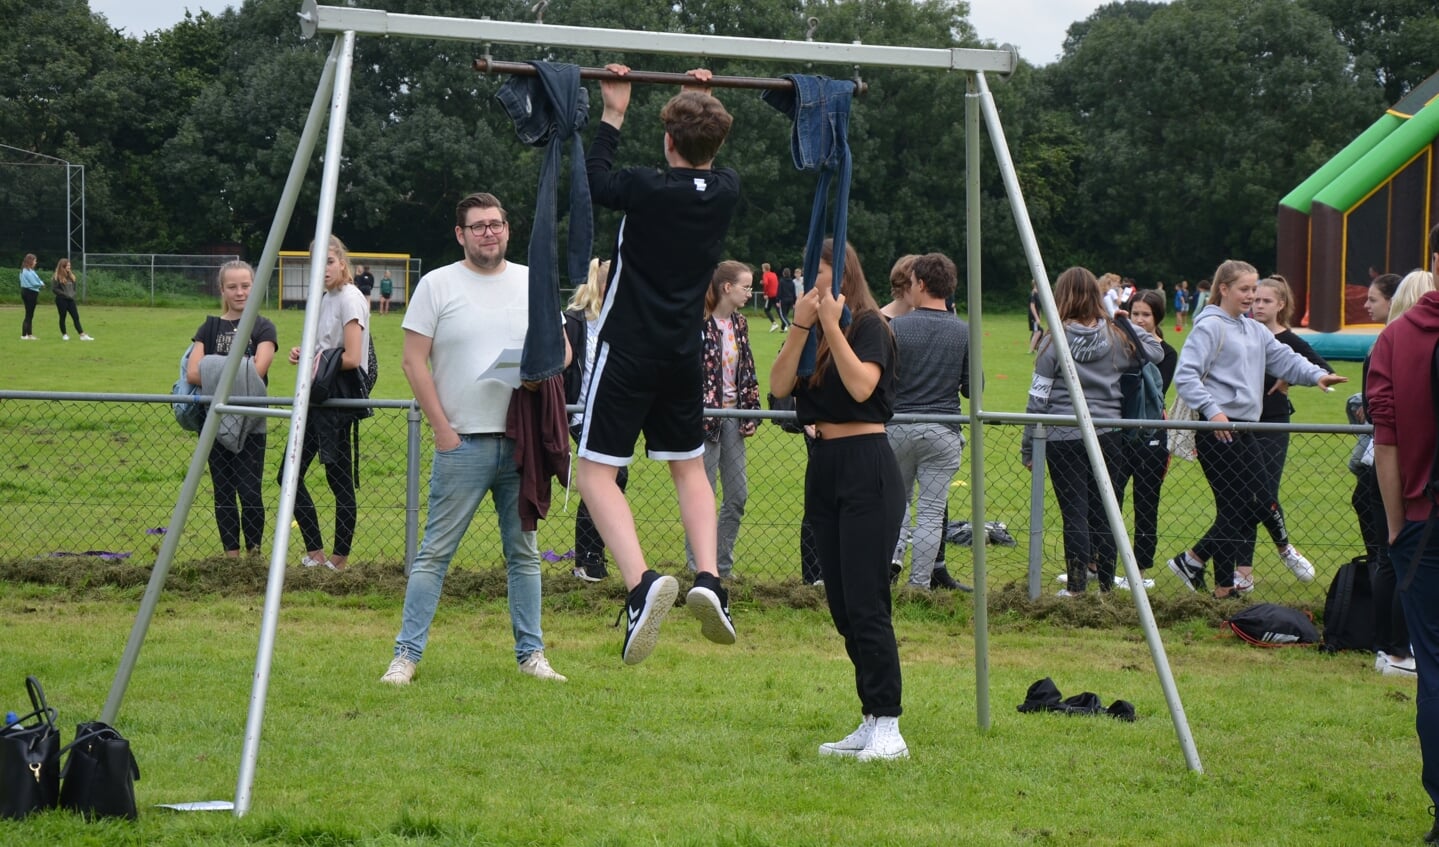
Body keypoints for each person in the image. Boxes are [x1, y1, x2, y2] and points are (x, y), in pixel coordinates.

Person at [578, 63, 740, 665]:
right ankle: (709, 578)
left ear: (667, 142)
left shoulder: (646, 188)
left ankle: (642, 585)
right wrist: (697, 98)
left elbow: (595, 180)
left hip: (627, 348)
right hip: (682, 352)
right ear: (716, 144)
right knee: (689, 468)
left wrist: (613, 111)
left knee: (596, 474)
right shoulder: (726, 189)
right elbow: (705, 146)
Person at [383, 192, 567, 686]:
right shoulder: (436, 285)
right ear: (461, 234)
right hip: (462, 443)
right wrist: (443, 432)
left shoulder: (534, 282)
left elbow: (564, 353)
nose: (489, 232)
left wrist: (537, 373)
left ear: (508, 228)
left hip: (522, 442)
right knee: (434, 555)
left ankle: (532, 655)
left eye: (497, 224)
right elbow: (411, 360)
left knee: (524, 555)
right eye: (478, 226)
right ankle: (405, 656)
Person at [770, 238, 909, 761]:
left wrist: (831, 323)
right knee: (842, 604)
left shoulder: (870, 325)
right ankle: (871, 716)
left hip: (866, 467)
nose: (810, 282)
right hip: (823, 467)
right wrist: (803, 327)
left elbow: (860, 388)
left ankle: (890, 725)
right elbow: (781, 387)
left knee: (868, 602)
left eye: (819, 272)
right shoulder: (808, 330)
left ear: (842, 274)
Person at [1167, 260, 1346, 598]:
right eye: (1245, 289)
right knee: (1249, 503)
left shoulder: (1253, 329)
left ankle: (1214, 582)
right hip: (1219, 431)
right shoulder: (1209, 327)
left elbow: (1285, 358)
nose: (1251, 296)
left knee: (1235, 507)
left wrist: (1316, 375)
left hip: (1246, 428)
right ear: (1224, 289)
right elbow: (1186, 375)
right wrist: (1213, 413)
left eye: (1254, 289)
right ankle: (1198, 567)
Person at [1021, 267, 1162, 595]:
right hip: (1108, 434)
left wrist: (1029, 447)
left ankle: (1076, 587)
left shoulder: (1051, 339)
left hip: (1061, 435)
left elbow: (1037, 398)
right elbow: (1155, 352)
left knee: (1075, 513)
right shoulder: (1116, 335)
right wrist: (1125, 323)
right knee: (1106, 512)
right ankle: (1106, 588)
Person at [1367, 222, 1439, 844]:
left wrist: (1398, 527)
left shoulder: (1395, 339)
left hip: (1423, 521)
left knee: (1435, 672)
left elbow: (1385, 443)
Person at [284, 234, 371, 572]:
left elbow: (351, 357)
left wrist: (315, 359)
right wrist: (304, 353)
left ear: (342, 261)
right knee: (288, 476)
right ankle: (317, 552)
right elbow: (325, 348)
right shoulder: (323, 298)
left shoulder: (350, 298)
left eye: (329, 261)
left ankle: (340, 559)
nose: (323, 269)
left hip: (337, 398)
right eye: (316, 262)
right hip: (318, 395)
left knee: (338, 480)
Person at [886, 252, 970, 590]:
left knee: (895, 503)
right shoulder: (962, 331)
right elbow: (971, 387)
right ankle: (919, 585)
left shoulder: (896, 327)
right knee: (932, 513)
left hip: (898, 426)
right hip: (943, 429)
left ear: (919, 284)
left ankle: (889, 564)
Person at [187, 260, 277, 556]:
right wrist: (240, 369)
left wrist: (215, 367)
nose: (240, 293)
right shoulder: (209, 326)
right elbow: (193, 373)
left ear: (255, 286)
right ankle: (230, 557)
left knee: (250, 491)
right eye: (233, 287)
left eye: (246, 286)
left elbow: (260, 368)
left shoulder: (263, 327)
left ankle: (253, 554)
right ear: (222, 290)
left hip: (251, 423)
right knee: (223, 491)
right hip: (214, 421)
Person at [683, 261, 760, 578]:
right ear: (727, 287)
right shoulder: (697, 324)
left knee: (737, 495)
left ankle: (721, 567)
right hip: (703, 421)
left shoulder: (740, 324)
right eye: (746, 286)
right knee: (702, 497)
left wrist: (751, 410)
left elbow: (748, 369)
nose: (750, 292)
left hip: (734, 418)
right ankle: (699, 568)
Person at [1352, 272, 1412, 675]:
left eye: (1373, 299)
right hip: (1391, 462)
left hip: (1386, 459)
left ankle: (1389, 648)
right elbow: (1381, 415)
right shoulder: (1392, 345)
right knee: (1395, 553)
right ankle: (1394, 650)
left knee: (1390, 556)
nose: (1365, 305)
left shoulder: (1387, 344)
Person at [563, 257, 623, 582]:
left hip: (611, 414)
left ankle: (590, 557)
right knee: (607, 479)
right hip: (580, 413)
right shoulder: (576, 320)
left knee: (610, 481)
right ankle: (587, 559)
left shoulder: (622, 319)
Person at [1119, 289, 1177, 583]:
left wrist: (1137, 344)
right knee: (1107, 499)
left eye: (1146, 315)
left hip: (1151, 437)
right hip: (1117, 434)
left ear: (1157, 318)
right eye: (1135, 313)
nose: (1139, 320)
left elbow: (1154, 389)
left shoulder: (1166, 353)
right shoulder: (1117, 345)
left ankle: (1139, 571)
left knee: (1146, 503)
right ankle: (1097, 566)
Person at [51, 258, 93, 341]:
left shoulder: (71, 276)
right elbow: (54, 289)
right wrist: (64, 294)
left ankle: (82, 335)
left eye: (70, 265)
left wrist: (72, 294)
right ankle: (64, 335)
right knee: (63, 317)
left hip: (71, 300)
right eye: (68, 265)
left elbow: (74, 288)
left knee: (76, 317)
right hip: (61, 300)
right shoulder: (56, 277)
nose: (69, 267)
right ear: (63, 266)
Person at [18, 253, 44, 340]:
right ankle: (24, 335)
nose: (36, 262)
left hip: (29, 292)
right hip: (30, 293)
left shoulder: (29, 270)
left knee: (30, 314)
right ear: (30, 261)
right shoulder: (27, 271)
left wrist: (40, 282)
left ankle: (29, 334)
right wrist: (41, 284)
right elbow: (34, 282)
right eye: (35, 260)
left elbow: (36, 279)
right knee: (29, 314)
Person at [761, 262, 782, 331]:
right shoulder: (774, 274)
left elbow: (766, 283)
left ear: (764, 269)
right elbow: (774, 283)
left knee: (766, 310)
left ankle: (774, 323)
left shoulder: (765, 274)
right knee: (778, 309)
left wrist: (765, 293)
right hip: (776, 294)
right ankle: (784, 325)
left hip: (770, 294)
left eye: (762, 268)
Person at [1027, 280, 1045, 353]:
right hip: (1033, 316)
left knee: (1038, 331)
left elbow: (1038, 308)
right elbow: (1032, 306)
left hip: (1036, 316)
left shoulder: (1038, 294)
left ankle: (1035, 348)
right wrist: (1036, 318)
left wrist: (1039, 316)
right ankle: (1030, 350)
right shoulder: (1033, 294)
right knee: (1038, 331)